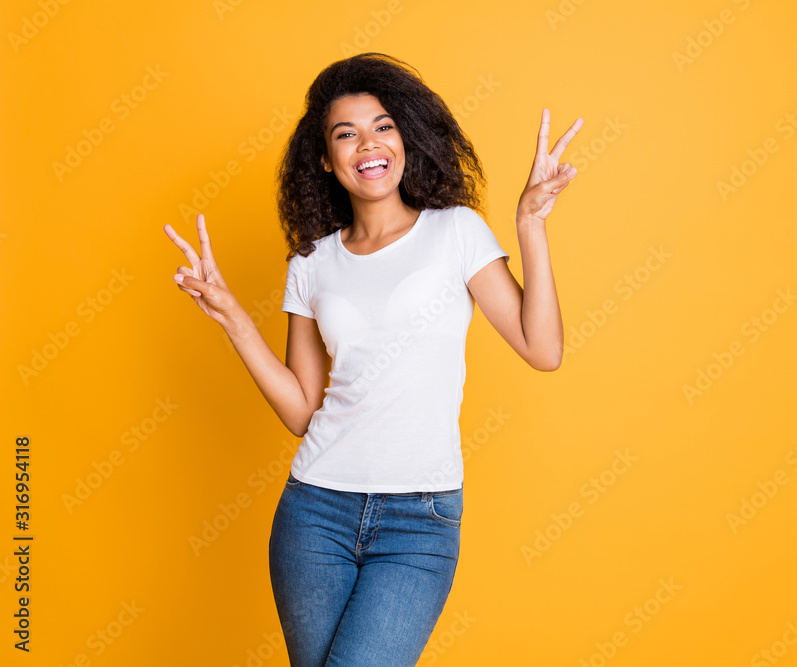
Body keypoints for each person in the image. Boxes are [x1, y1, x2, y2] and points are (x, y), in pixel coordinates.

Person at [163, 52, 582, 666]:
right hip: (315, 513)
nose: (369, 143)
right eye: (346, 133)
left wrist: (530, 224)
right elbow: (303, 411)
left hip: (421, 518)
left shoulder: (456, 232)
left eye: (383, 125)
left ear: (406, 138)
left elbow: (542, 349)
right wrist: (232, 316)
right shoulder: (311, 263)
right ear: (328, 161)